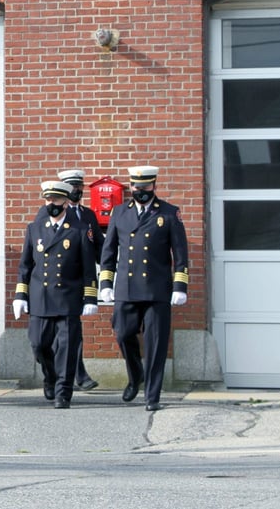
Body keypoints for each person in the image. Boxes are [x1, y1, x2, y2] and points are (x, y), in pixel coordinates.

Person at [99, 166, 189, 412]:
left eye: (145, 186)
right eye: (136, 187)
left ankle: (152, 396)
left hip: (157, 290)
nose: (141, 191)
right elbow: (108, 253)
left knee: (155, 344)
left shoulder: (168, 213)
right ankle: (135, 374)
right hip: (126, 289)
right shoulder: (120, 212)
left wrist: (180, 286)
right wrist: (106, 283)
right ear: (131, 187)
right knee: (123, 333)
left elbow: (180, 254)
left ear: (154, 186)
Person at [15, 180, 99, 409]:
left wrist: (90, 297)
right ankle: (50, 376)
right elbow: (25, 266)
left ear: (66, 202)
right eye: (48, 199)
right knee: (38, 344)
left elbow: (88, 268)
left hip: (67, 298)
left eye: (56, 199)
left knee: (67, 349)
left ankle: (63, 392)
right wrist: (20, 295)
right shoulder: (35, 228)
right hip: (40, 298)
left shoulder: (79, 230)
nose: (52, 203)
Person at [57, 168, 105, 391]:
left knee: (72, 329)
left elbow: (99, 247)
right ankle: (61, 371)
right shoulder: (51, 213)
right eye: (72, 186)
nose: (76, 190)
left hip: (80, 281)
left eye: (79, 186)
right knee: (58, 333)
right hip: (58, 282)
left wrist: (110, 267)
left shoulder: (88, 215)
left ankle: (79, 374)